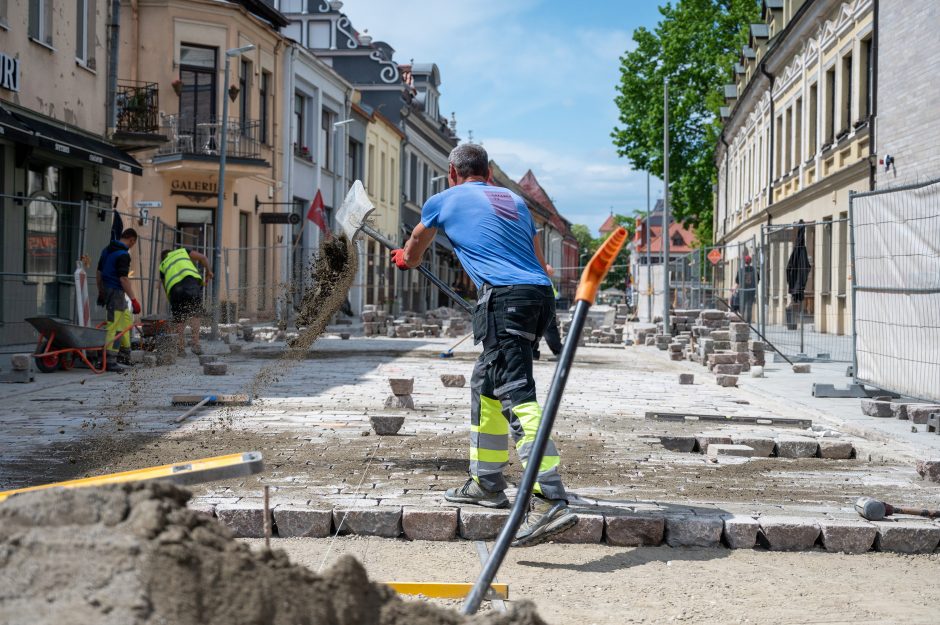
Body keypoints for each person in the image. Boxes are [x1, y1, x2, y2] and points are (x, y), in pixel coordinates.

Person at [390, 143, 578, 547]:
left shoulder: (442, 200)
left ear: (451, 173)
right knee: (486, 383)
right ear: (489, 173)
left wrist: (405, 258)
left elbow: (415, 249)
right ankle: (487, 481)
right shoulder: (513, 200)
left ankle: (549, 496)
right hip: (539, 296)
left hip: (506, 299)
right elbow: (534, 256)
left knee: (515, 392)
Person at [96, 228, 140, 370]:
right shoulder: (123, 255)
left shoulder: (107, 250)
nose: (131, 246)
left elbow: (99, 272)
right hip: (116, 292)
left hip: (109, 290)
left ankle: (124, 353)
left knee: (125, 320)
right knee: (115, 326)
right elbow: (123, 279)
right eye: (133, 243)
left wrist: (101, 291)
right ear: (132, 240)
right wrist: (133, 299)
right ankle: (110, 360)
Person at [158, 247, 213, 355]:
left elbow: (165, 287)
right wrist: (209, 271)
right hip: (191, 284)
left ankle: (181, 347)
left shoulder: (163, 265)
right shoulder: (182, 251)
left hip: (175, 290)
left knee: (179, 318)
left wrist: (172, 301)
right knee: (195, 314)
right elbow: (203, 258)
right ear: (171, 252)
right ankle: (196, 344)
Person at [735, 254, 758, 324]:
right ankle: (748, 323)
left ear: (744, 262)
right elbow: (758, 280)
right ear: (750, 261)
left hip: (743, 292)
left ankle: (742, 321)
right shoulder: (754, 270)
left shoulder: (741, 270)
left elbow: (737, 281)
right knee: (749, 308)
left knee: (742, 307)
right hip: (751, 291)